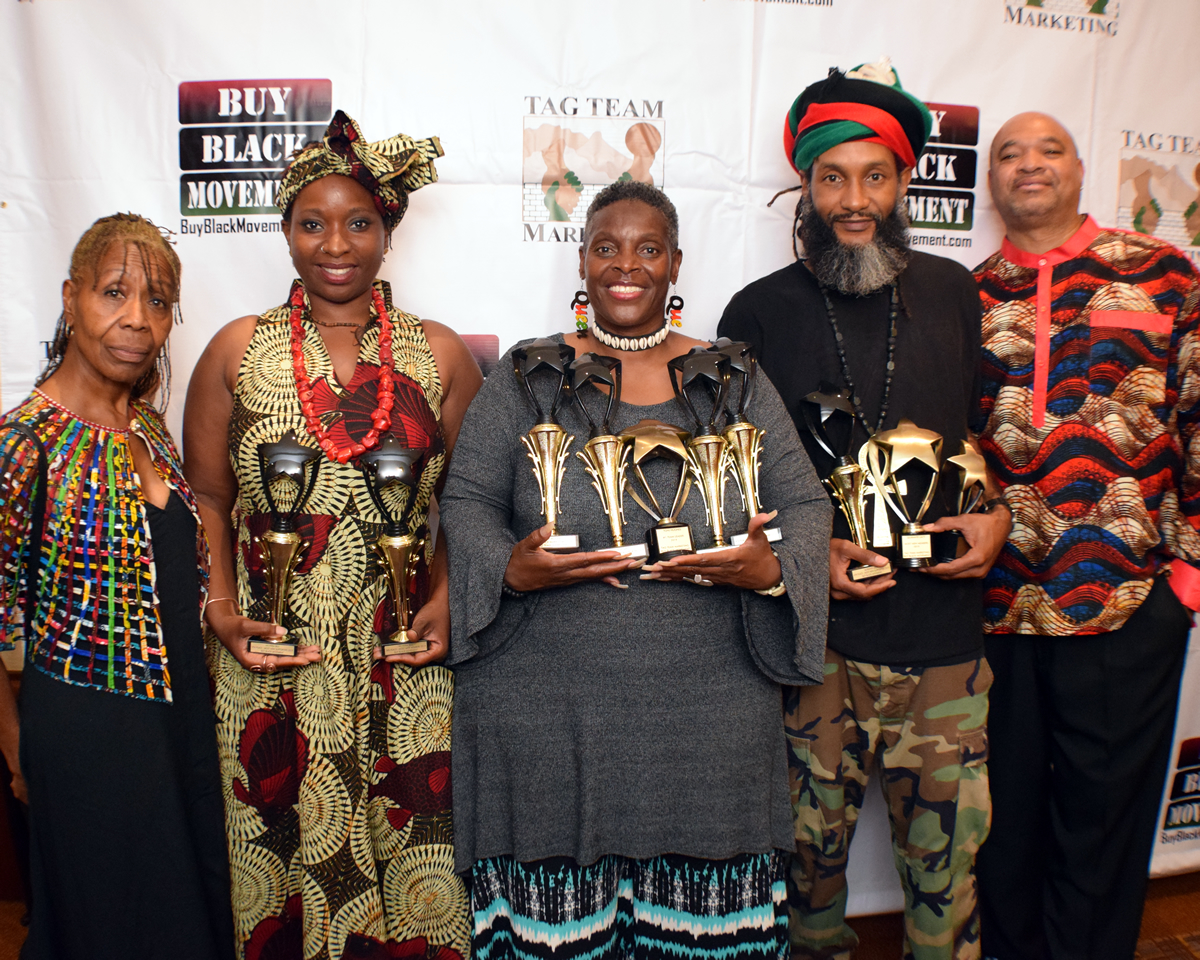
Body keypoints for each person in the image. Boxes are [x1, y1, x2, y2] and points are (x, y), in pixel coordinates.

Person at [439, 179, 832, 959]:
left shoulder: (734, 379)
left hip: (708, 715)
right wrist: (509, 571)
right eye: (607, 247)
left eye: (648, 249)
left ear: (676, 263)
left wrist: (770, 570)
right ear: (582, 260)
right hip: (547, 712)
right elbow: (467, 499)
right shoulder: (528, 375)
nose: (627, 265)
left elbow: (808, 506)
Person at [717, 60, 1012, 960]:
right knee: (804, 879)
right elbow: (729, 485)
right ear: (804, 187)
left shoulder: (958, 293)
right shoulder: (757, 313)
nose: (854, 199)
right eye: (832, 177)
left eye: (873, 176)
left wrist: (996, 516)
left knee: (945, 882)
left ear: (903, 181)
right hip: (815, 649)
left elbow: (981, 441)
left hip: (943, 651)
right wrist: (812, 553)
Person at [183, 111, 480, 960]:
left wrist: (451, 599)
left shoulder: (441, 355)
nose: (335, 243)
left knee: (417, 857)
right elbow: (206, 495)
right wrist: (223, 609)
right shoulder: (236, 352)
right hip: (274, 658)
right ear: (284, 231)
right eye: (311, 223)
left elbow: (471, 501)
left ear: (388, 232)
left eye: (359, 222)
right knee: (274, 872)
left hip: (401, 662)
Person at [973, 112, 1200, 960]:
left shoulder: (1164, 275)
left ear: (1080, 167)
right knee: (1002, 824)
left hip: (1129, 600)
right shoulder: (970, 294)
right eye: (1008, 154)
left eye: (1048, 149)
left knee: (1104, 831)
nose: (1028, 165)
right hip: (999, 605)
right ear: (991, 181)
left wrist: (1189, 577)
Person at [0, 213, 233, 959]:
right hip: (84, 726)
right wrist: (16, 750)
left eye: (158, 301)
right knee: (105, 922)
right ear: (71, 299)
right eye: (114, 293)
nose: (137, 319)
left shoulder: (154, 435)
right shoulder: (24, 442)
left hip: (182, 717)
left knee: (189, 913)